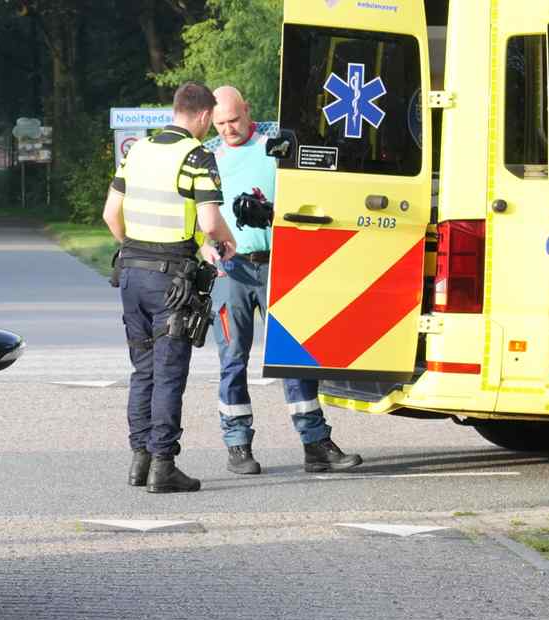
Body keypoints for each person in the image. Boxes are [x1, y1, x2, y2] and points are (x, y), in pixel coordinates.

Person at [209, 86, 362, 475]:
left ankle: (315, 443)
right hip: (232, 269)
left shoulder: (278, 142)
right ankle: (237, 445)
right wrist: (204, 246)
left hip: (282, 264)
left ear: (248, 110)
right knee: (233, 359)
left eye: (235, 120)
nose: (229, 129)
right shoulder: (208, 154)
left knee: (295, 357)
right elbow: (193, 207)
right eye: (221, 123)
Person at [102, 82, 237, 493]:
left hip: (130, 273)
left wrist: (135, 249)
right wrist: (225, 242)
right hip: (171, 280)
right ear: (200, 116)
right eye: (209, 121)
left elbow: (111, 214)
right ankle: (163, 465)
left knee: (142, 370)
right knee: (168, 372)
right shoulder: (197, 155)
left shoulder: (138, 151)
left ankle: (138, 461)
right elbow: (211, 222)